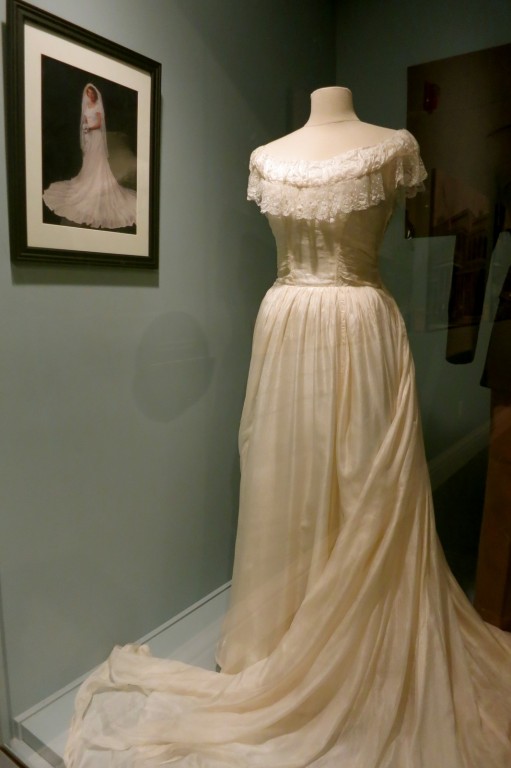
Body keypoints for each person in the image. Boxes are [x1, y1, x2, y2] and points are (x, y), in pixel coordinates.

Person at [64, 87, 511, 768]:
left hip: (359, 333)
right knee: (284, 485)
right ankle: (279, 638)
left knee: (370, 492)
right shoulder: (267, 159)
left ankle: (366, 654)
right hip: (288, 333)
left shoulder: (393, 147)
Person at [43, 83, 136, 230]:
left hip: (97, 136)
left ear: (95, 94)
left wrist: (89, 128)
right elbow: (85, 122)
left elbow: (99, 122)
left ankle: (98, 184)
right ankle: (89, 184)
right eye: (88, 93)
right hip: (90, 137)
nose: (91, 96)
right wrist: (86, 132)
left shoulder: (97, 106)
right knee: (88, 163)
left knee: (98, 161)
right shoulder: (86, 107)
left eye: (92, 93)